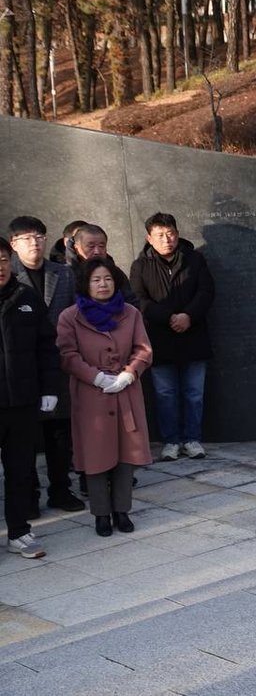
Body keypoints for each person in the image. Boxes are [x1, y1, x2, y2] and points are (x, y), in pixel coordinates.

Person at [57, 258, 153, 537]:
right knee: (95, 455)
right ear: (86, 284)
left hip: (126, 391)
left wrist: (129, 374)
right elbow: (67, 355)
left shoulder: (131, 313)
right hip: (91, 394)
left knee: (126, 454)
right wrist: (96, 377)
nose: (103, 284)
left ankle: (122, 510)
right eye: (96, 280)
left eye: (108, 279)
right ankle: (101, 513)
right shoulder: (70, 317)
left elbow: (143, 349)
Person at [8, 216, 86, 516]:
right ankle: (28, 494)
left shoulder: (63, 273)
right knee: (24, 437)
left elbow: (77, 314)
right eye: (27, 238)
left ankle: (60, 490)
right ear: (14, 244)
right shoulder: (7, 275)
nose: (35, 243)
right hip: (21, 366)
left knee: (59, 432)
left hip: (58, 363)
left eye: (39, 236)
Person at [129, 213, 215, 462]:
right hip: (159, 339)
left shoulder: (194, 259)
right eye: (160, 235)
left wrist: (188, 315)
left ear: (177, 234)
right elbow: (138, 299)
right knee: (165, 394)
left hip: (193, 335)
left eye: (170, 234)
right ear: (149, 238)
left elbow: (206, 291)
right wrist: (168, 317)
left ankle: (192, 439)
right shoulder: (141, 266)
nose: (166, 240)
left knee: (194, 393)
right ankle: (171, 441)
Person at [0, 238, 61, 559]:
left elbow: (47, 348)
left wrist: (50, 388)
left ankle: (19, 531)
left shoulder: (26, 297)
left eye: (2, 260)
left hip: (22, 403)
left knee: (21, 470)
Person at [70, 224, 138, 308]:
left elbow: (131, 301)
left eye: (101, 246)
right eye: (91, 246)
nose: (97, 251)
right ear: (77, 249)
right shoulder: (68, 274)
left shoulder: (115, 272)